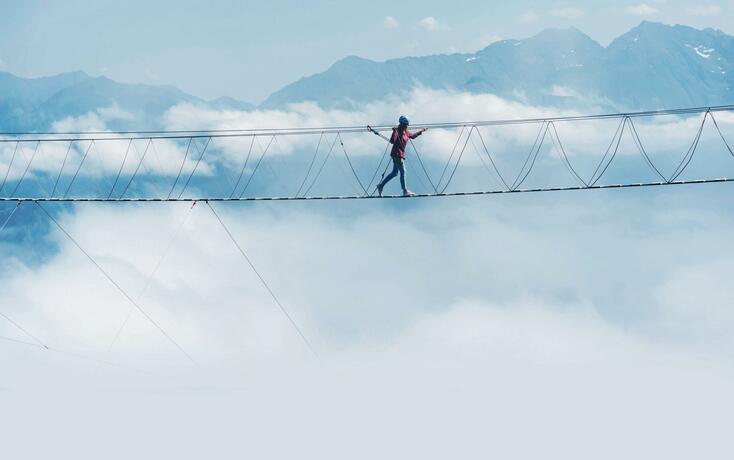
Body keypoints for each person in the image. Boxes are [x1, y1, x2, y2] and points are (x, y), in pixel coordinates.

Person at [376, 116, 427, 197]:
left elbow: (413, 136)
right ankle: (405, 190)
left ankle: (381, 185)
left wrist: (422, 131)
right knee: (403, 171)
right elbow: (392, 141)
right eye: (406, 125)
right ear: (402, 124)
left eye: (407, 125)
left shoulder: (406, 132)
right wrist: (394, 131)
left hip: (399, 155)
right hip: (396, 154)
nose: (407, 126)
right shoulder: (397, 130)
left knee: (394, 173)